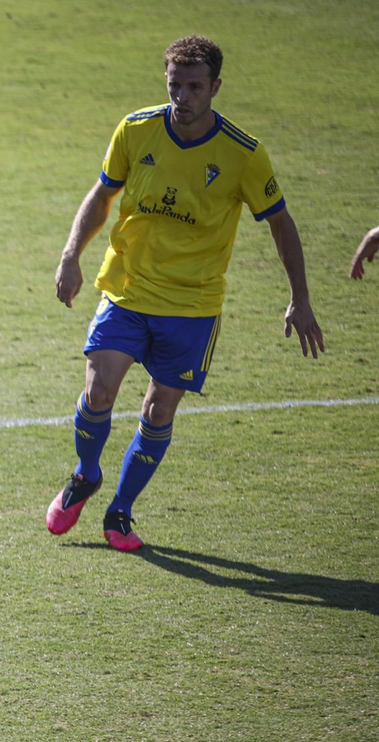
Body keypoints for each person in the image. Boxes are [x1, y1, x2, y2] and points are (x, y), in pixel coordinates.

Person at [49, 35, 325, 551]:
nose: (183, 96)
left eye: (195, 86)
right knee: (99, 390)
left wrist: (300, 297)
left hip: (192, 308)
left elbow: (281, 224)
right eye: (175, 84)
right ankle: (86, 474)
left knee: (158, 412)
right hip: (128, 289)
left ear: (216, 87)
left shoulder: (244, 154)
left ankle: (120, 513)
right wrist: (71, 254)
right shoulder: (136, 129)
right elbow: (103, 192)